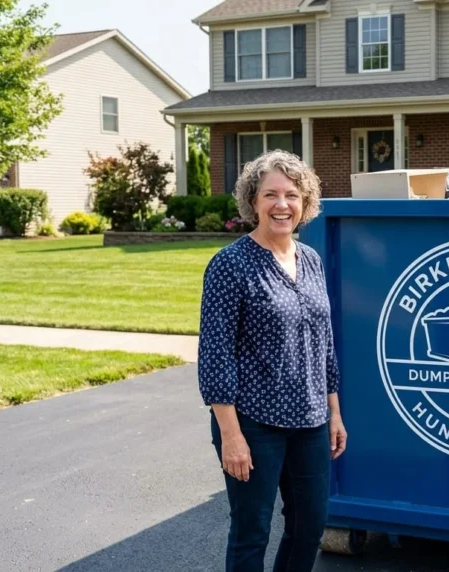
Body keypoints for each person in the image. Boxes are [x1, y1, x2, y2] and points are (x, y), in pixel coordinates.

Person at [197, 149, 347, 572]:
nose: (282, 205)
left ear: (305, 203)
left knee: (309, 528)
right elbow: (215, 353)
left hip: (311, 421)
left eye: (292, 195)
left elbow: (325, 344)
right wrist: (231, 435)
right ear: (253, 201)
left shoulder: (312, 261)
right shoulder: (230, 265)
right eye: (270, 195)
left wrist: (334, 413)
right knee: (251, 532)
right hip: (253, 422)